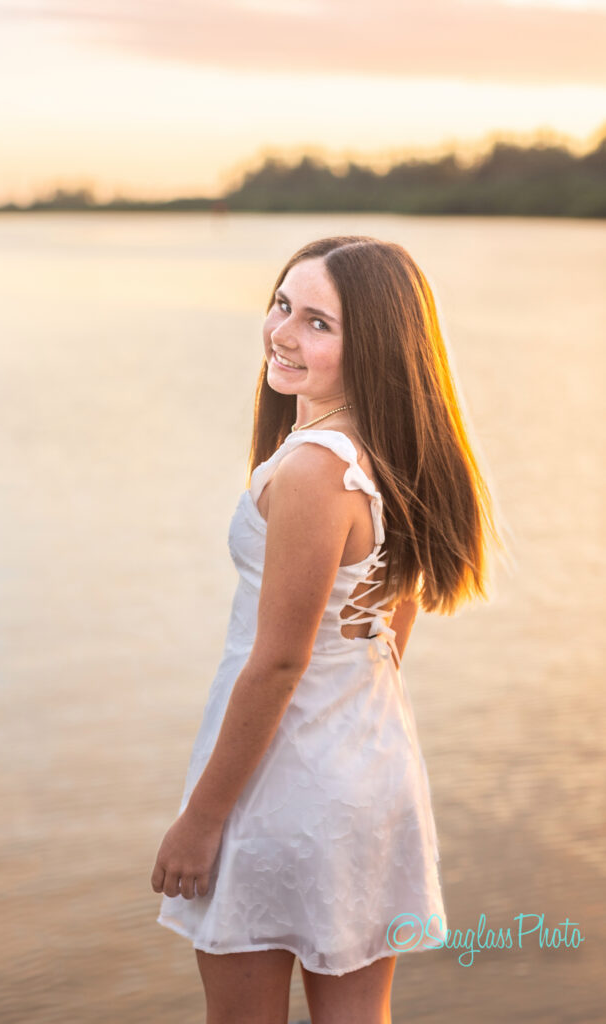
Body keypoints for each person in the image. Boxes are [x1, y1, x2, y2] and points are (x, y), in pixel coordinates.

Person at [152, 235, 503, 1024]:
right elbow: (393, 612)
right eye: (281, 304)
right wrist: (348, 713)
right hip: (368, 766)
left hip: (279, 780)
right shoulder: (393, 454)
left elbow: (277, 664)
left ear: (372, 344)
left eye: (317, 322)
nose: (282, 332)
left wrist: (202, 820)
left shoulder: (314, 468)